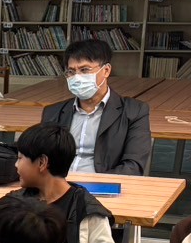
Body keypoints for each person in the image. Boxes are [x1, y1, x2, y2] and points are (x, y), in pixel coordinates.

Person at [39, 38, 153, 176]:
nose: (77, 77)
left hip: (102, 184)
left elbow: (133, 166)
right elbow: (38, 156)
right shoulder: (53, 112)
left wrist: (96, 184)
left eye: (84, 70)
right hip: (57, 183)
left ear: (106, 70)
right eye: (71, 72)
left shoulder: (134, 111)